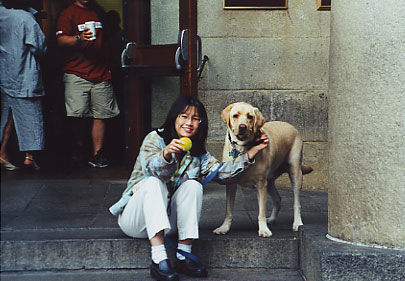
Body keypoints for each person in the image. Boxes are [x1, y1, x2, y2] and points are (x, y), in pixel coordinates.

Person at [109, 96, 269, 281]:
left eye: (195, 118)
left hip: (168, 223)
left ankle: (184, 254)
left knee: (193, 185)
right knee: (153, 183)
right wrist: (167, 153)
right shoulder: (154, 139)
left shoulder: (199, 153)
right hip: (136, 221)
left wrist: (251, 153)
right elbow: (153, 170)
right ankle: (159, 258)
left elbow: (223, 174)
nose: (189, 123)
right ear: (174, 118)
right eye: (184, 116)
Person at [56, 0, 120, 168]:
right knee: (78, 114)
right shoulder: (68, 12)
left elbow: (109, 35)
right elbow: (60, 40)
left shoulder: (98, 11)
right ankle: (79, 145)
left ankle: (97, 154)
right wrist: (79, 37)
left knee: (101, 114)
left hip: (100, 70)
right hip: (76, 70)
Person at [0, 0, 46, 171]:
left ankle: (2, 152)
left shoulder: (2, 14)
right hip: (25, 74)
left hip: (5, 72)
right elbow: (39, 47)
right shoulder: (26, 18)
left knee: (9, 115)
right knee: (30, 115)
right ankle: (29, 156)